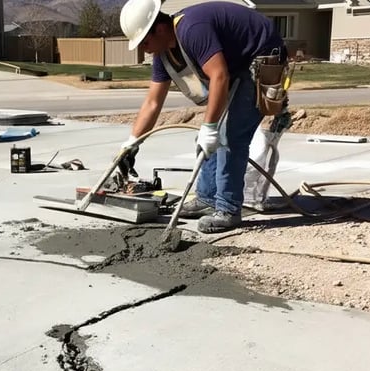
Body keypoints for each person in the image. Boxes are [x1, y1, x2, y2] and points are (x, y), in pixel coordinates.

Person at [118, 0, 287, 233]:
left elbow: (219, 76)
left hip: (262, 54)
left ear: (160, 28)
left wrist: (210, 126)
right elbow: (153, 101)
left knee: (230, 136)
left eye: (145, 41)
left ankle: (228, 209)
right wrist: (132, 142)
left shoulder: (192, 29)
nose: (144, 49)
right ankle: (207, 198)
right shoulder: (163, 54)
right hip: (235, 61)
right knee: (208, 136)